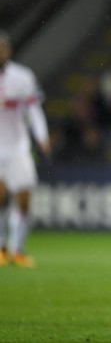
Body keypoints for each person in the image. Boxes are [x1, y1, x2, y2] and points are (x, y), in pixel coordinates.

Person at [0, 31, 51, 268]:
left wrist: (41, 135)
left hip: (18, 147)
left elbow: (33, 109)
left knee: (24, 199)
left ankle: (17, 250)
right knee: (0, 198)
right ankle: (2, 248)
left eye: (3, 47)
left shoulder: (22, 77)